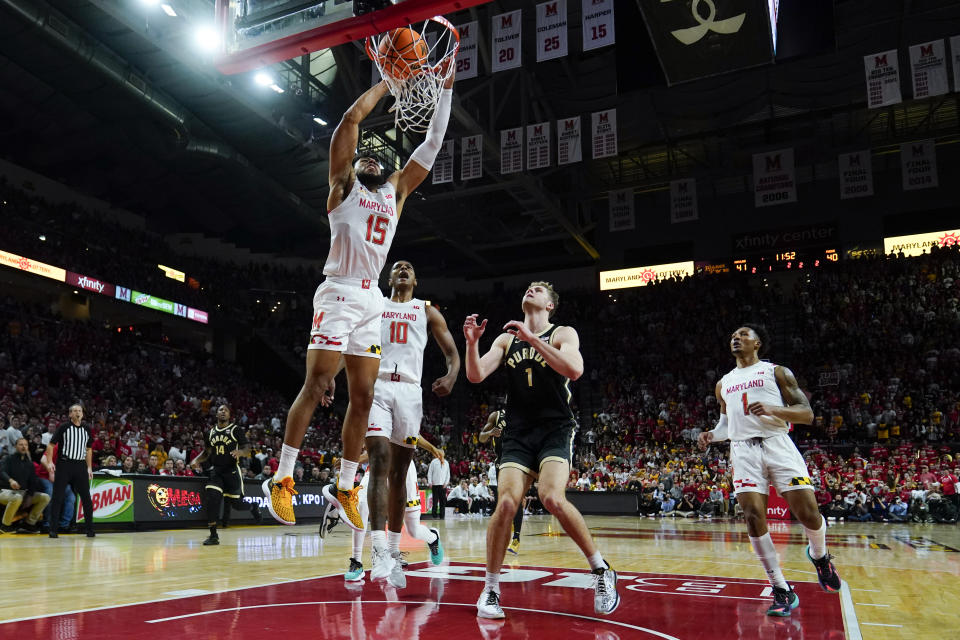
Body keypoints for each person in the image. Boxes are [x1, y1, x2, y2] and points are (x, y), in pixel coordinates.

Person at [263, 64, 456, 531]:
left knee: (364, 396)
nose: (371, 158)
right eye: (363, 157)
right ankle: (283, 479)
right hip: (338, 290)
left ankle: (348, 484)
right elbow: (350, 121)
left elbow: (431, 144)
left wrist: (445, 89)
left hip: (372, 299)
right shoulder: (342, 189)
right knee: (317, 383)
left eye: (376, 157)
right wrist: (389, 84)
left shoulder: (394, 193)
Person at [464, 281, 619, 619]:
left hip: (555, 428)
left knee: (551, 497)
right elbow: (475, 376)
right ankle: (490, 589)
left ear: (550, 305)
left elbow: (574, 370)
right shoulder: (505, 338)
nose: (531, 290)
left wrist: (532, 339)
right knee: (506, 502)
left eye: (539, 289)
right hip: (518, 431)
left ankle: (601, 570)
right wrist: (472, 343)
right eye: (529, 287)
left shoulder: (563, 332)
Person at [321, 259, 458, 587]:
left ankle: (394, 552)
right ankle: (379, 549)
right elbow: (351, 347)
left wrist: (452, 375)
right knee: (379, 460)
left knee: (399, 473)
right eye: (397, 266)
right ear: (389, 277)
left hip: (410, 391)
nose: (403, 269)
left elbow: (452, 352)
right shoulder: (375, 304)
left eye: (409, 267)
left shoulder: (426, 310)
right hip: (378, 385)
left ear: (416, 278)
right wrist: (330, 374)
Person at [698, 325, 841, 617]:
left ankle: (820, 556)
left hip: (778, 444)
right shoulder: (723, 383)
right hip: (743, 451)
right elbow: (726, 426)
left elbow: (806, 414)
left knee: (809, 513)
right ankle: (779, 587)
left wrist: (775, 410)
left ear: (758, 343)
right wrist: (711, 435)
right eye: (733, 336)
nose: (736, 338)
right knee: (752, 515)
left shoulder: (777, 372)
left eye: (743, 335)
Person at [190, 405, 262, 545]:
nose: (223, 412)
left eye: (226, 410)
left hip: (232, 472)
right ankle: (213, 535)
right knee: (212, 497)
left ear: (229, 415)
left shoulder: (235, 430)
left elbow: (247, 448)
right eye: (220, 410)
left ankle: (253, 506)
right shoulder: (210, 433)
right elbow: (207, 452)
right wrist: (196, 460)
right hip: (217, 472)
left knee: (237, 505)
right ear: (216, 414)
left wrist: (240, 453)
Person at [44, 404, 95, 538]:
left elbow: (89, 449)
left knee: (86, 497)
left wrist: (89, 467)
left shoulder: (87, 429)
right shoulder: (64, 427)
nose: (77, 413)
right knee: (57, 497)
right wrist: (49, 462)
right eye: (74, 411)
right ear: (70, 414)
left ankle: (90, 529)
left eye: (79, 410)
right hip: (64, 464)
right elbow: (51, 445)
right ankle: (53, 529)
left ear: (82, 414)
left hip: (80, 466)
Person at [479, 410, 524, 555]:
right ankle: (504, 536)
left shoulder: (525, 414)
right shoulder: (496, 416)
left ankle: (516, 537)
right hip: (501, 462)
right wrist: (491, 432)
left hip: (519, 461)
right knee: (503, 503)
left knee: (516, 499)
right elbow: (481, 437)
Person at [0, 437, 50, 533]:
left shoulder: (29, 464)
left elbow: (33, 481)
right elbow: (2, 472)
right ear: (15, 446)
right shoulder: (8, 459)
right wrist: (11, 481)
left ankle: (28, 524)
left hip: (22, 493)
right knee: (17, 498)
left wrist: (30, 495)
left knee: (45, 497)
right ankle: (5, 526)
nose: (24, 447)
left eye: (26, 445)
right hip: (4, 492)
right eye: (21, 444)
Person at [427, 452, 450, 519]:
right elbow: (430, 472)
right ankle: (434, 516)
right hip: (435, 484)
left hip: (443, 485)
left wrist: (446, 483)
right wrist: (430, 482)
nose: (441, 454)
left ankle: (442, 516)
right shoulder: (433, 462)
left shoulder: (446, 462)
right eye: (440, 453)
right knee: (435, 501)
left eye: (442, 453)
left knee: (443, 502)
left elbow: (448, 474)